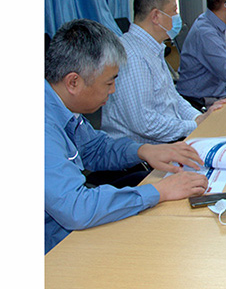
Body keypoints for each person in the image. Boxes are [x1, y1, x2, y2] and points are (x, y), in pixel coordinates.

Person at [45, 19, 209, 253]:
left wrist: (143, 150)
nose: (113, 90)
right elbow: (76, 208)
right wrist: (160, 191)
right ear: (73, 82)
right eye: (109, 82)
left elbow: (93, 149)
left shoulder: (63, 106)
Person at [102, 0, 226, 144]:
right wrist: (193, 125)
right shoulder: (132, 56)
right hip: (144, 153)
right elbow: (146, 124)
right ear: (156, 16)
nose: (177, 16)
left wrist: (199, 118)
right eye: (174, 10)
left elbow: (172, 98)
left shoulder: (153, 48)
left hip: (169, 139)